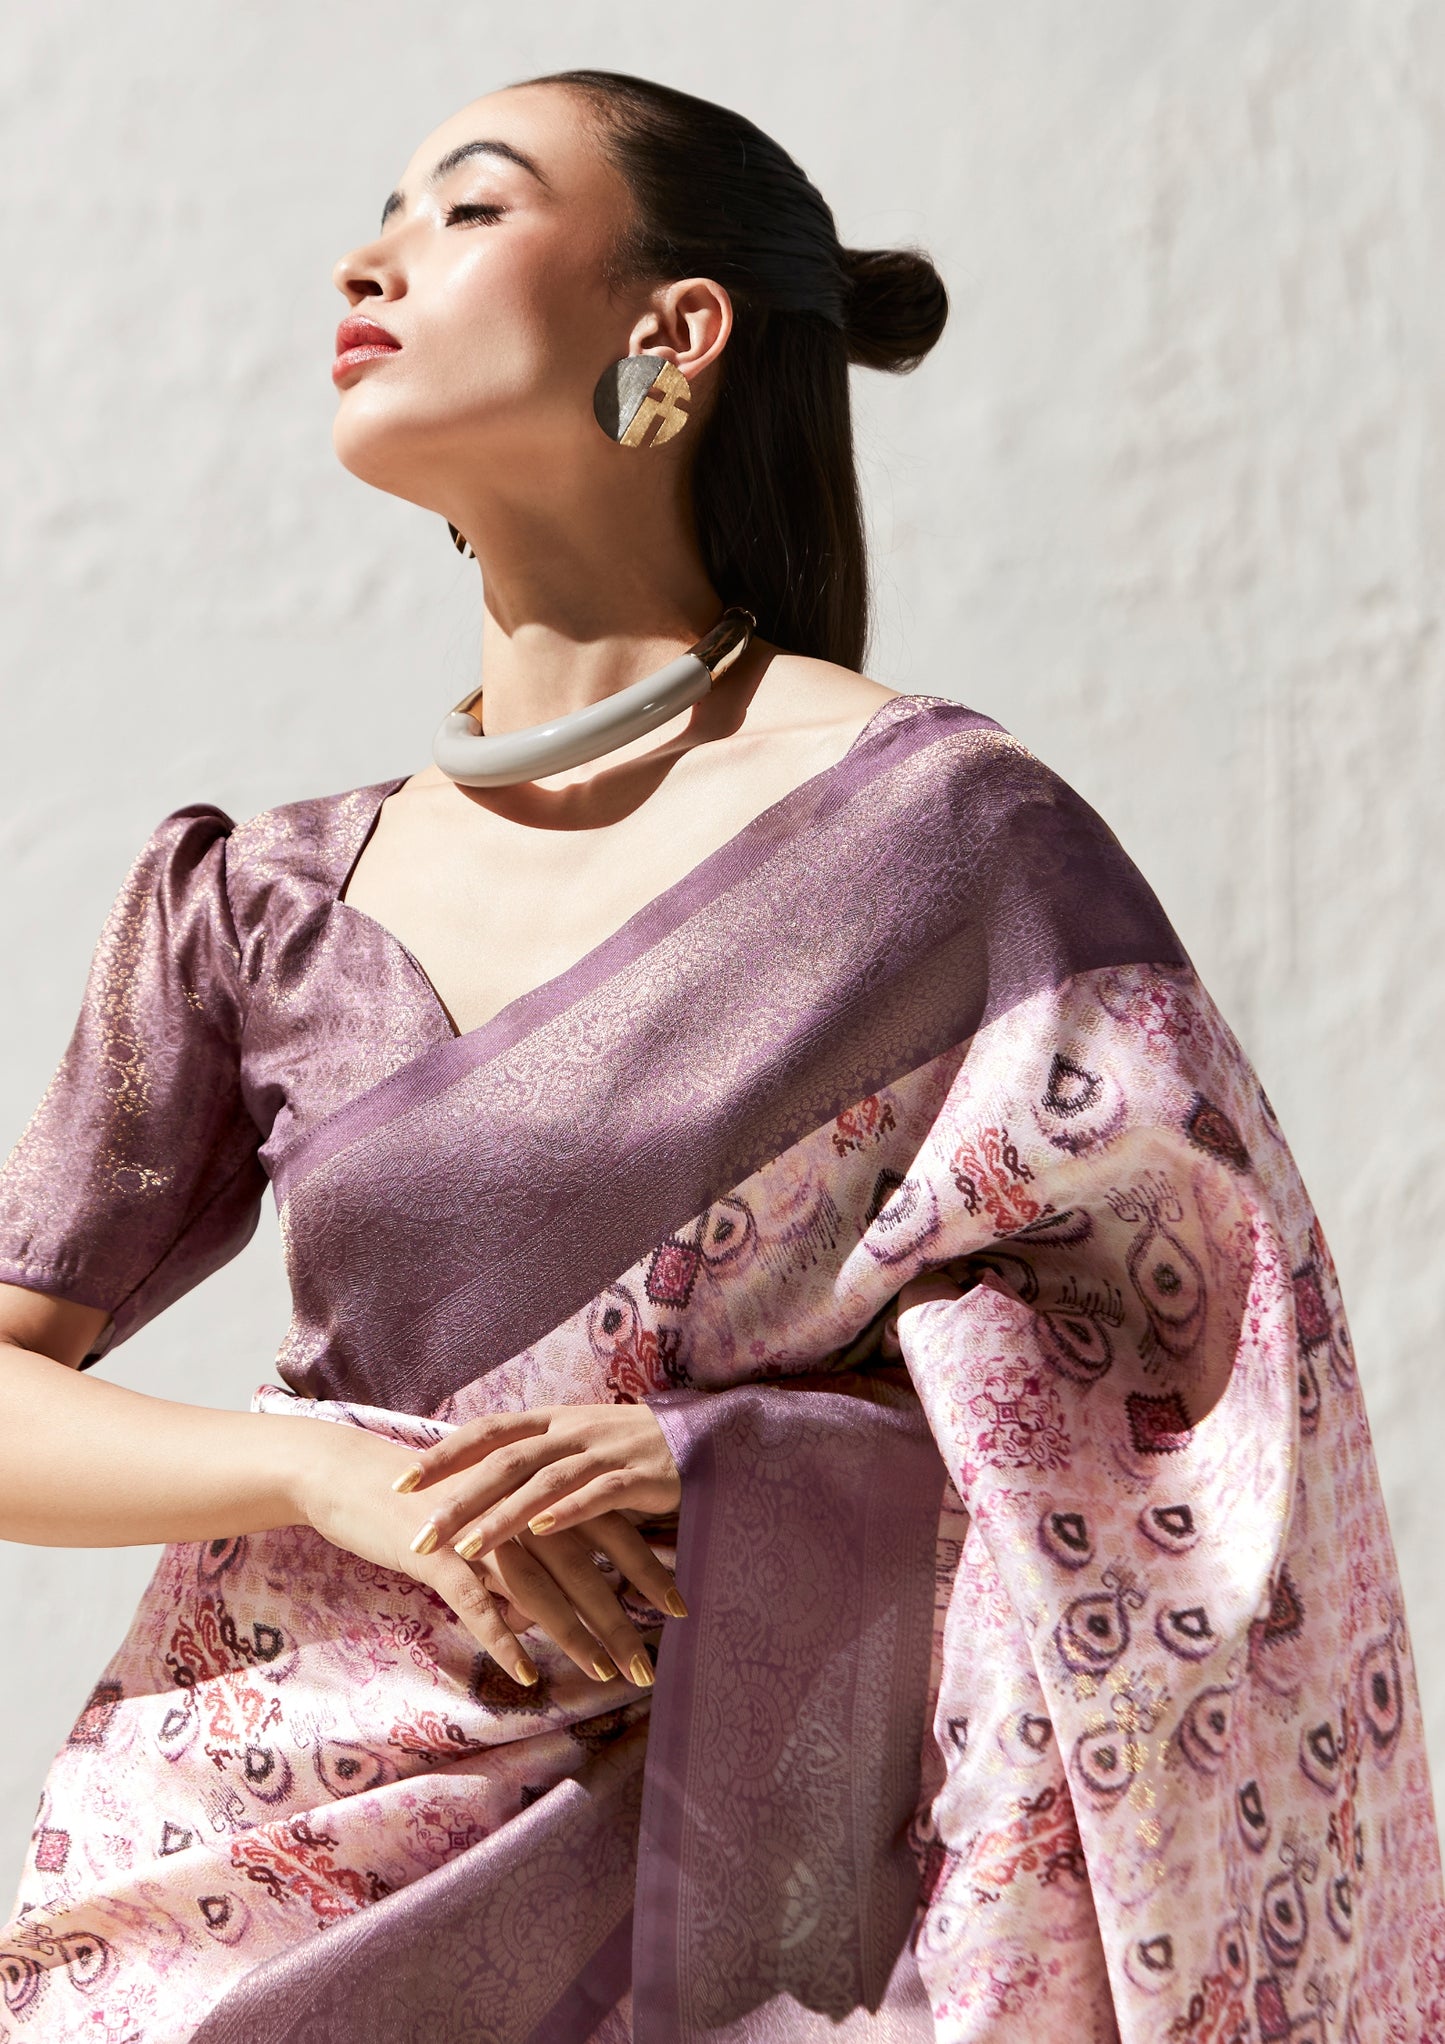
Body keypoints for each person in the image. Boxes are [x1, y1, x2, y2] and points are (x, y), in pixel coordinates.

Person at [0, 66, 1439, 2044]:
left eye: (467, 208)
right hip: (251, 1861)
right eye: (384, 213)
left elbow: (1205, 1385)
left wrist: (733, 1469)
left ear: (673, 332)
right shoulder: (260, 904)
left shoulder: (944, 846)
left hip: (758, 1895)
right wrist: (331, 1476)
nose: (368, 258)